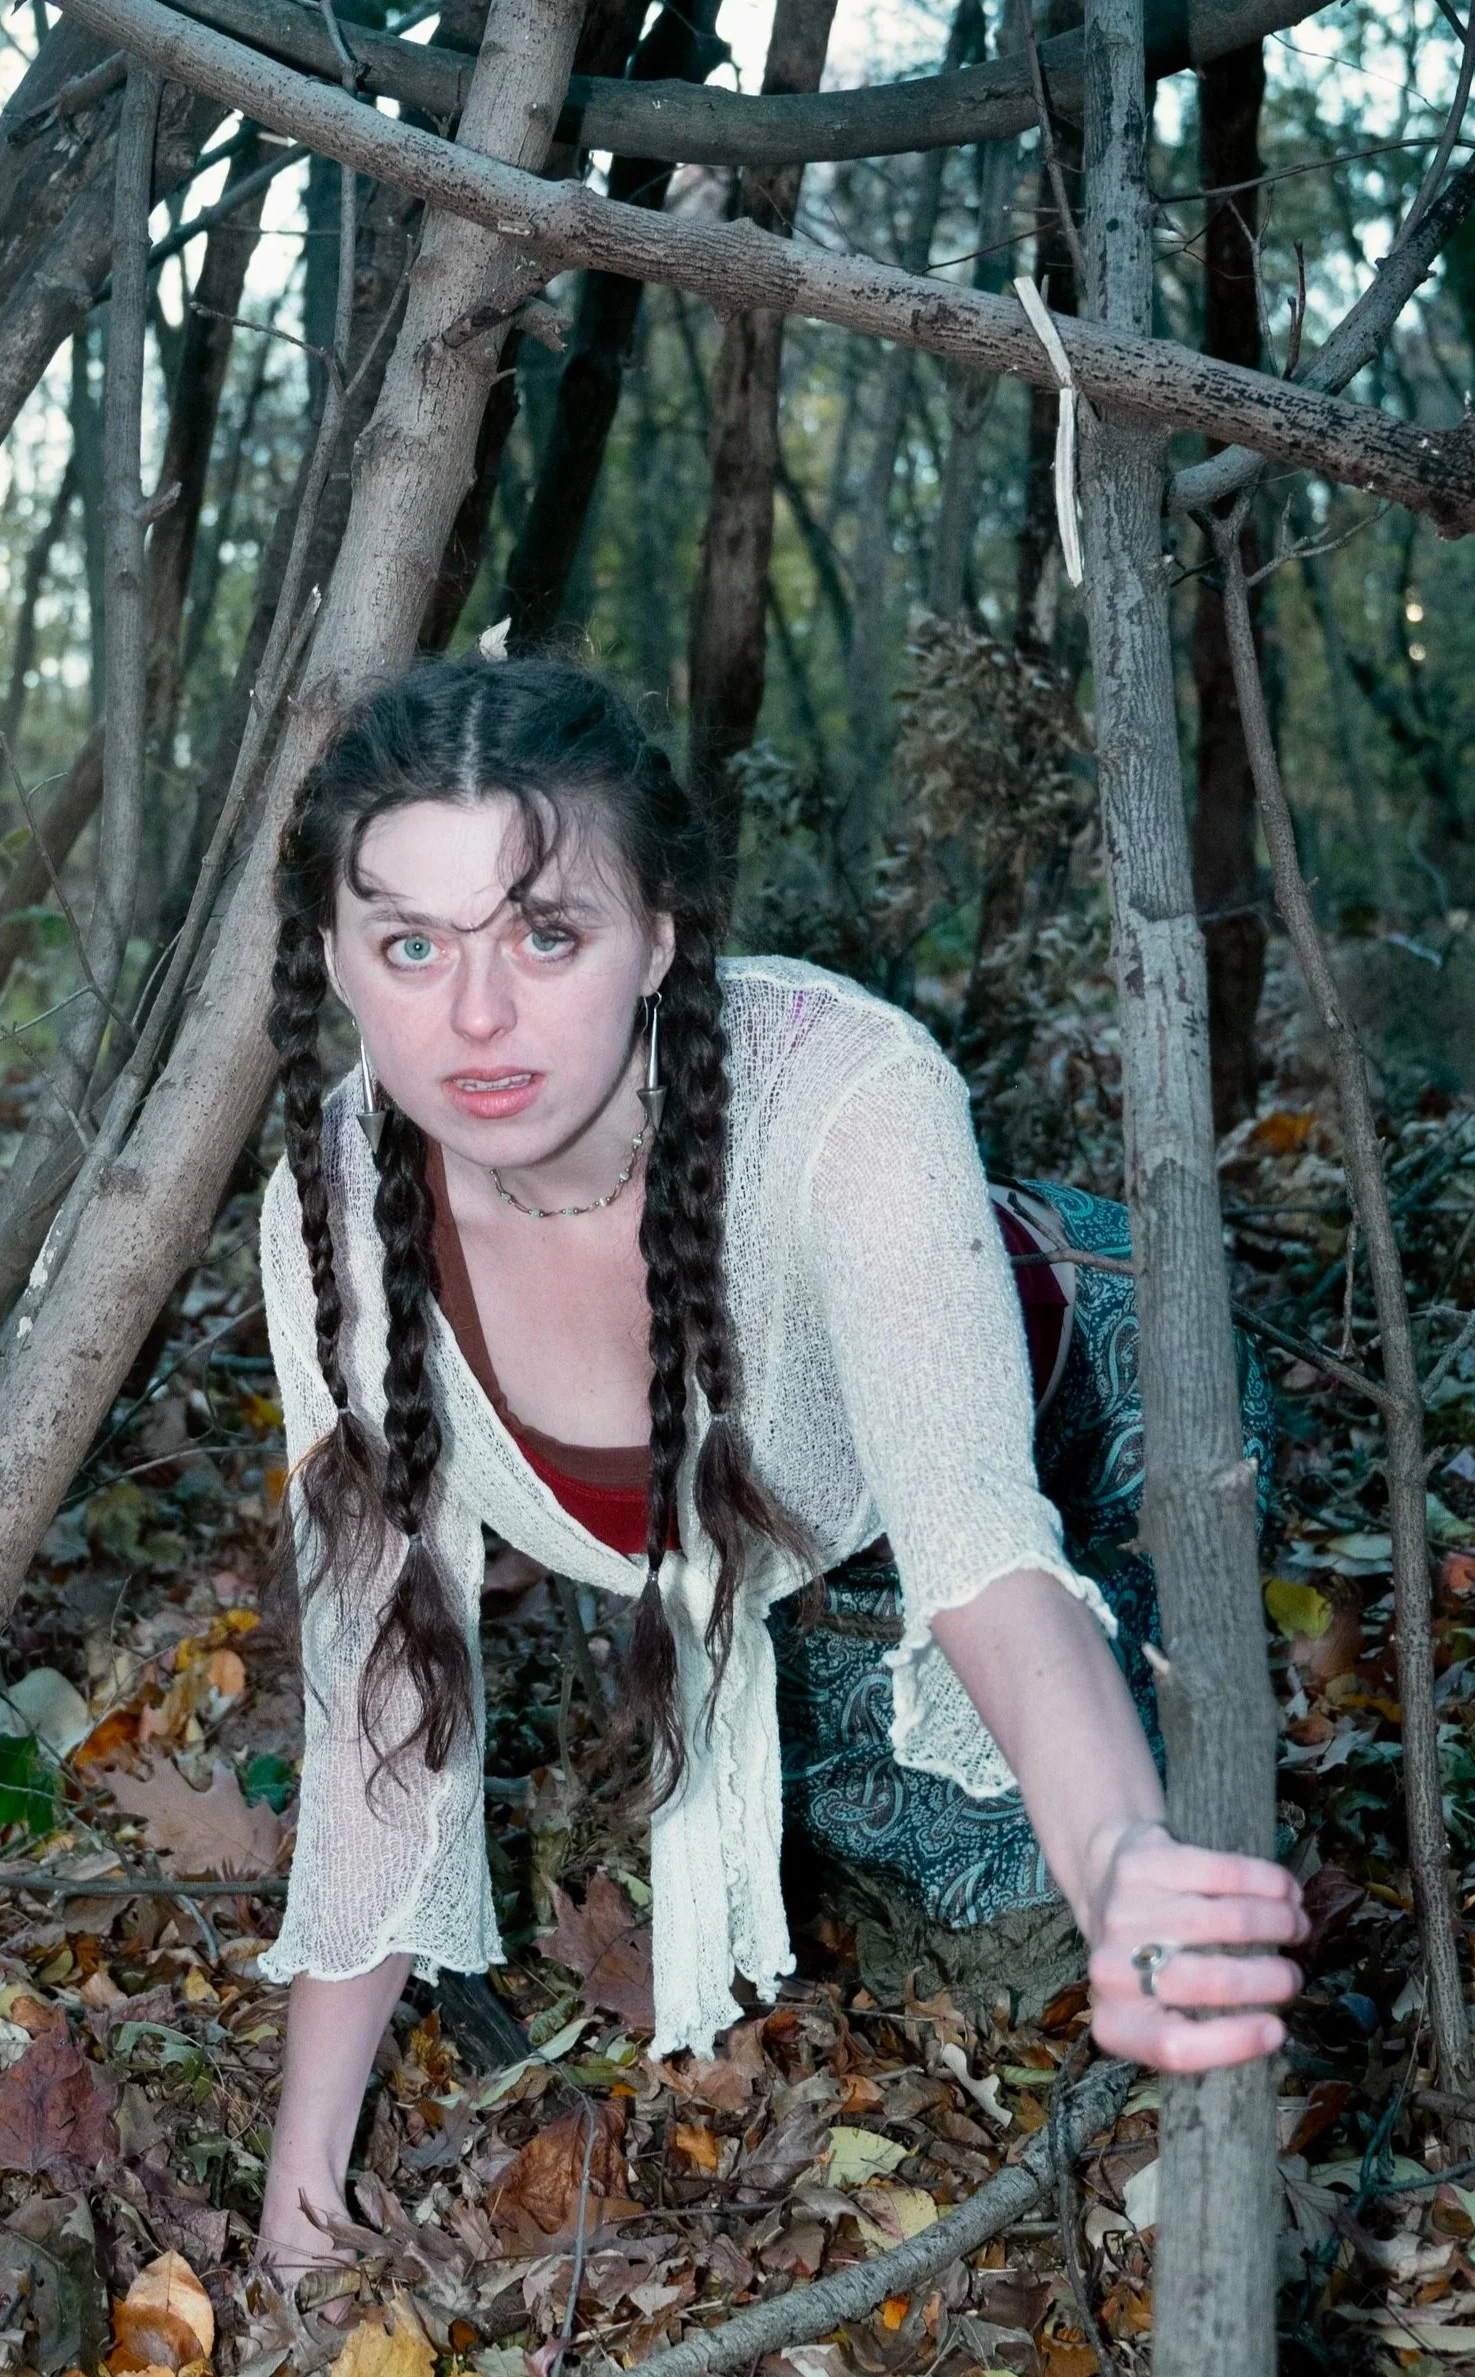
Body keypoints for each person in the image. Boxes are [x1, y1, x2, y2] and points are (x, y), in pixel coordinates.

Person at [252, 655, 1306, 2276]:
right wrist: (298, 2205)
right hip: (773, 1551)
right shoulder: (330, 1214)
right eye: (409, 943)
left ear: (657, 938)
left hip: (1082, 1411)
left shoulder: (843, 1091)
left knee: (1034, 1941)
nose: (474, 1017)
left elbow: (981, 1544)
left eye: (546, 933)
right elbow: (378, 1693)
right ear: (335, 957)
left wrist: (1124, 1868)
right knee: (878, 1911)